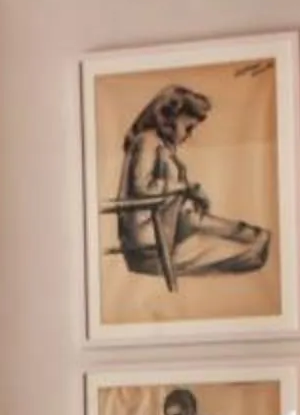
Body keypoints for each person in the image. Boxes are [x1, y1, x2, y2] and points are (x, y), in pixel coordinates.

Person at [111, 85, 272, 281]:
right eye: (188, 128)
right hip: (151, 248)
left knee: (251, 248)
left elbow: (178, 209)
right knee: (248, 254)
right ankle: (251, 237)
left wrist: (191, 195)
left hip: (164, 239)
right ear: (168, 121)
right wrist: (186, 189)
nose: (190, 134)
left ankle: (252, 235)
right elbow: (142, 186)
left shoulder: (159, 146)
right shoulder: (146, 141)